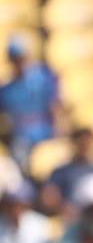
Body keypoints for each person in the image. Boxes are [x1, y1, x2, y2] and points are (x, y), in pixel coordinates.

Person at [0, 35, 63, 171]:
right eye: (15, 59)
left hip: (46, 134)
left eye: (22, 58)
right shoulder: (6, 89)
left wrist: (58, 131)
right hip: (21, 140)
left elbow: (55, 106)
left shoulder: (44, 79)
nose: (20, 63)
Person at [40, 127, 93, 218]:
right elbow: (48, 197)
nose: (85, 146)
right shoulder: (62, 171)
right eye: (81, 143)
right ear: (73, 144)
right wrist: (64, 208)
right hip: (74, 219)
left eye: (88, 143)